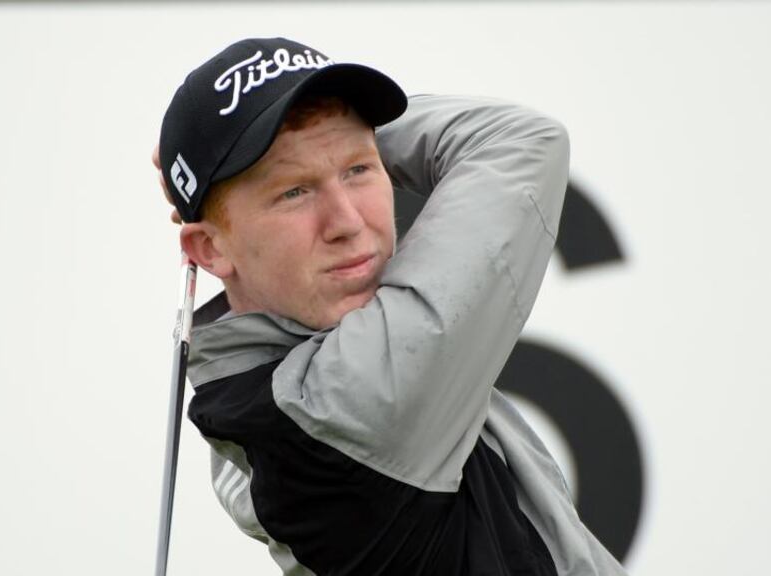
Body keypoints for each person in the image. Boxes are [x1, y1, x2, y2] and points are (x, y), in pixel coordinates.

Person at [155, 37, 627, 575]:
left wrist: (223, 175)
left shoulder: (245, 400)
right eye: (293, 193)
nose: (348, 221)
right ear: (209, 250)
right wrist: (348, 139)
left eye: (359, 170)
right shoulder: (348, 400)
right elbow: (521, 140)